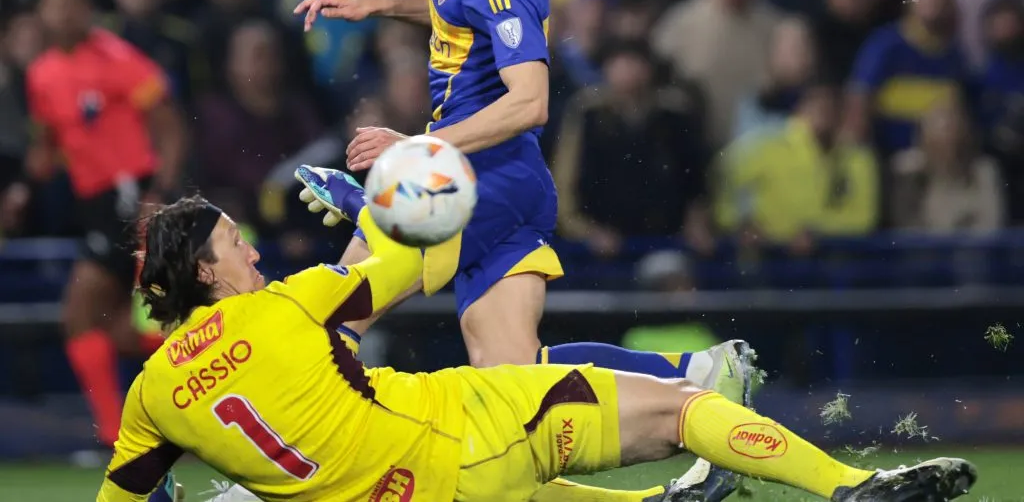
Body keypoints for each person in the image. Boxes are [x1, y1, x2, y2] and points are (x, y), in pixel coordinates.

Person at [293, 0, 748, 397]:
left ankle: (267, 485)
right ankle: (698, 375)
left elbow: (531, 102)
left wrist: (415, 149)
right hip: (506, 179)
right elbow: (458, 6)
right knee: (514, 379)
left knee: (330, 317)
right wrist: (375, 4)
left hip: (478, 180)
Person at [96, 195, 977, 502]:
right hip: (459, 434)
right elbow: (426, 254)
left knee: (538, 492)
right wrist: (381, 197)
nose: (251, 248)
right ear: (208, 274)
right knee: (678, 412)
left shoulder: (151, 398)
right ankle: (851, 486)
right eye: (236, 243)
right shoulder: (290, 303)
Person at [3, 0, 186, 461]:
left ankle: (115, 435)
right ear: (41, 13)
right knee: (124, 329)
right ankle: (200, 368)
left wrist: (159, 192)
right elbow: (48, 147)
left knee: (81, 313)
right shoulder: (41, 74)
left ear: (87, 8)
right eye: (53, 5)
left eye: (72, 3)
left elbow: (169, 129)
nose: (63, 14)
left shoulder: (118, 59)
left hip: (130, 194)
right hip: (94, 204)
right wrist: (21, 190)